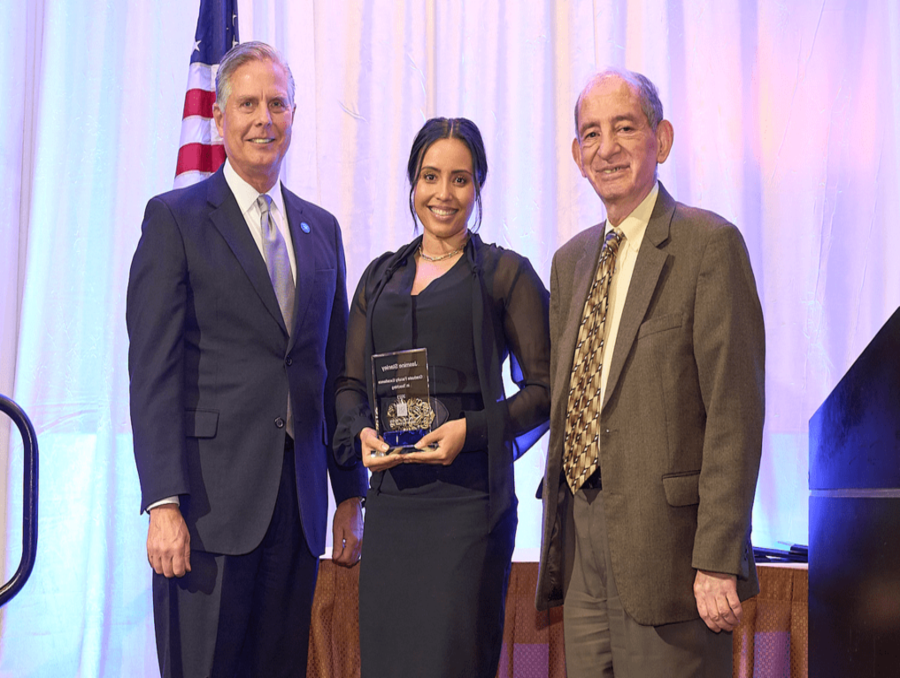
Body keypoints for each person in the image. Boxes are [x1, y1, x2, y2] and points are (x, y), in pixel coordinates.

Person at [126, 41, 367, 678]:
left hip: (297, 510)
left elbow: (333, 371)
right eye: (249, 103)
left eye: (278, 103)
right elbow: (153, 374)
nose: (265, 118)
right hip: (205, 513)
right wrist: (163, 505)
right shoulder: (175, 220)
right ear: (220, 117)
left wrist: (349, 494)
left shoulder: (323, 230)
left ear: (294, 114)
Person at [535, 68, 765, 677]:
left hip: (672, 555)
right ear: (578, 155)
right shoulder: (570, 262)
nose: (606, 147)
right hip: (583, 543)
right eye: (591, 133)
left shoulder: (709, 245)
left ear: (660, 140)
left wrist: (717, 558)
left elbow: (734, 415)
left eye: (624, 128)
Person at [333, 117, 551, 677]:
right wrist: (359, 431)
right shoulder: (378, 278)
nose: (443, 193)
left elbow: (547, 391)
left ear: (478, 186)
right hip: (393, 506)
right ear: (412, 183)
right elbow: (351, 384)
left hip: (468, 509)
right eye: (431, 176)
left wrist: (469, 431)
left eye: (460, 178)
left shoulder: (507, 275)